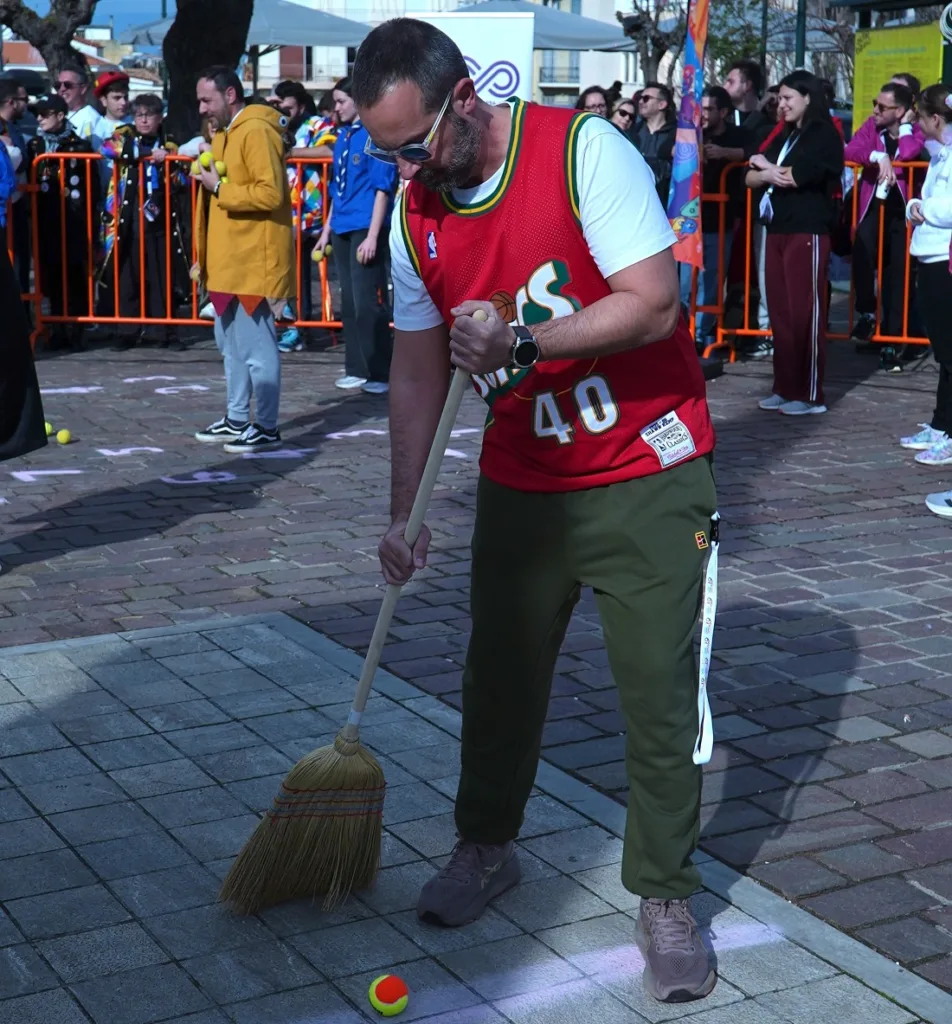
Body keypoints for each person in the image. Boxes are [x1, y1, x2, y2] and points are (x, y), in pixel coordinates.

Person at [356, 17, 719, 1005]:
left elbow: (653, 302)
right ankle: (486, 846)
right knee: (498, 680)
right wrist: (403, 515)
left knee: (653, 691)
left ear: (463, 96)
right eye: (382, 148)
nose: (403, 166)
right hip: (525, 476)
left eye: (414, 142)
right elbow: (416, 370)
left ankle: (663, 893)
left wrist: (524, 337)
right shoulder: (416, 213)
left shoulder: (578, 149)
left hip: (642, 463)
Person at [192, 66, 294, 453]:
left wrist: (218, 186)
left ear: (230, 95)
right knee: (231, 345)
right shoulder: (228, 133)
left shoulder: (254, 130)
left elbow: (271, 194)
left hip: (253, 260)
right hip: (229, 259)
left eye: (207, 100)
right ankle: (237, 417)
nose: (202, 108)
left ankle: (266, 424)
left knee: (256, 348)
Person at [747, 70, 844, 416]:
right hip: (777, 228)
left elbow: (792, 176)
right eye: (780, 97)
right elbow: (749, 175)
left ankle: (810, 393)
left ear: (808, 98)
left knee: (806, 313)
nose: (781, 104)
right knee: (781, 313)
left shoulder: (823, 134)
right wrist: (767, 171)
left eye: (789, 98)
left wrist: (768, 170)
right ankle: (784, 386)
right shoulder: (786, 134)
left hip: (808, 230)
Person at [316, 77, 397, 394]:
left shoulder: (376, 138)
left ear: (359, 101)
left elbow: (382, 189)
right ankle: (356, 367)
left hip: (366, 226)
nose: (336, 108)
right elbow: (337, 190)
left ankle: (379, 371)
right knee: (348, 303)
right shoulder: (342, 138)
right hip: (342, 226)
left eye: (341, 102)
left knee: (369, 303)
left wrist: (374, 236)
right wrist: (325, 232)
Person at [99, 93, 190, 352]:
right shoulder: (124, 134)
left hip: (159, 220)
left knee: (160, 275)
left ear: (159, 118)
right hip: (127, 220)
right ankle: (127, 330)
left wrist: (168, 164)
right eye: (139, 115)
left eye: (149, 115)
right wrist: (149, 154)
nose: (144, 120)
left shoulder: (170, 143)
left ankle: (162, 331)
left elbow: (181, 182)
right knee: (127, 275)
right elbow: (106, 148)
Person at [845, 81, 924, 347]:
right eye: (874, 104)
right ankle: (867, 312)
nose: (875, 110)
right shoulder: (871, 127)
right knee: (863, 250)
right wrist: (878, 156)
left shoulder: (916, 129)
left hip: (903, 213)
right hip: (873, 206)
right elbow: (851, 150)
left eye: (882, 106)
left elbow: (912, 151)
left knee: (897, 272)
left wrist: (904, 128)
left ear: (901, 110)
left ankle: (894, 336)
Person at [900, 85, 952, 481]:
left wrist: (922, 208)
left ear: (936, 118)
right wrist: (916, 206)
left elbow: (945, 208)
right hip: (929, 254)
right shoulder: (940, 155)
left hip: (944, 258)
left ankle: (949, 430)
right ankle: (940, 422)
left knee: (950, 350)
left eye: (920, 116)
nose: (917, 123)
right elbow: (920, 198)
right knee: (943, 350)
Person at [27, 94, 98, 352]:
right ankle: (54, 327)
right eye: (38, 114)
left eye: (45, 114)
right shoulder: (35, 145)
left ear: (60, 115)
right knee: (51, 274)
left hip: (74, 221)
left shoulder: (78, 145)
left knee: (74, 274)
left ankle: (75, 328)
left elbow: (93, 186)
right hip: (46, 219)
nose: (39, 119)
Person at [273, 79, 338, 352]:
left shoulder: (317, 125)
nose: (278, 107)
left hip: (311, 210)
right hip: (285, 209)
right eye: (274, 103)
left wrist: (289, 153)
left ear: (297, 103)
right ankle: (292, 327)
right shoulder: (277, 126)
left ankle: (306, 328)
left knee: (304, 274)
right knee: (288, 272)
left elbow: (329, 150)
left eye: (282, 103)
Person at [681, 86, 748, 350]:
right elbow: (666, 149)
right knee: (684, 283)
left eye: (709, 109)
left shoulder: (737, 134)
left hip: (719, 221)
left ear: (723, 112)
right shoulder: (690, 131)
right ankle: (683, 332)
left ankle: (701, 333)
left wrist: (725, 153)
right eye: (701, 108)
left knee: (711, 280)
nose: (704, 114)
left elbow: (756, 148)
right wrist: (684, 150)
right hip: (687, 222)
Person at [0, 79, 30, 304]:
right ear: (11, 101)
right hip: (5, 209)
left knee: (19, 265)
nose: (26, 105)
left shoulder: (13, 128)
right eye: (24, 100)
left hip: (16, 207)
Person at [632, 82, 676, 204]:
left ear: (662, 104)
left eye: (646, 98)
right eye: (640, 98)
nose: (641, 102)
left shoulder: (677, 134)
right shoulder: (632, 132)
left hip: (665, 202)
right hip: (635, 200)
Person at [55, 63, 100, 145]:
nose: (62, 89)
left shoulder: (91, 118)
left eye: (67, 85)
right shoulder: (52, 114)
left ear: (83, 89)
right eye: (58, 85)